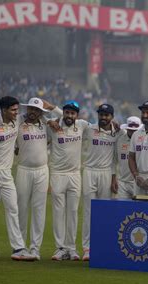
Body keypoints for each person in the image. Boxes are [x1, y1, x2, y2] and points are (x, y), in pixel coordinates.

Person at [0, 96, 35, 261]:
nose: (17, 112)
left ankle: (18, 248)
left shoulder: (16, 122)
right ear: (3, 110)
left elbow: (36, 115)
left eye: (17, 109)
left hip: (6, 173)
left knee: (13, 209)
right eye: (13, 110)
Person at [15, 97, 62, 260]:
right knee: (21, 209)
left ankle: (35, 249)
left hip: (42, 171)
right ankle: (19, 247)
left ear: (41, 112)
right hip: (23, 170)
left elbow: (67, 121)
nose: (33, 112)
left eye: (37, 110)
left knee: (39, 211)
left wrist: (53, 108)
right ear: (27, 109)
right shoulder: (18, 122)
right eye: (31, 109)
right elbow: (3, 121)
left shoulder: (47, 124)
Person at [47, 100, 89, 261]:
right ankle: (60, 248)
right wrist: (49, 119)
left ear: (77, 115)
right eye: (67, 112)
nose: (69, 115)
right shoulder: (54, 126)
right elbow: (36, 118)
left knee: (72, 213)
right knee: (58, 212)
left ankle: (71, 249)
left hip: (75, 175)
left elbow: (102, 127)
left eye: (73, 113)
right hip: (58, 174)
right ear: (63, 113)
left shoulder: (82, 125)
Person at [81, 103, 120, 261]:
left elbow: (115, 159)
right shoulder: (89, 129)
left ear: (112, 117)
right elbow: (70, 125)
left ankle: (102, 244)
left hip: (106, 173)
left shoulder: (117, 133)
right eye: (101, 115)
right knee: (88, 211)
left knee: (104, 211)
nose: (103, 118)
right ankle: (87, 248)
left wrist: (113, 177)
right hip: (89, 171)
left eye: (106, 115)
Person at [115, 116, 142, 199]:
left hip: (138, 182)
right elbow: (115, 160)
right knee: (122, 209)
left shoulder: (144, 140)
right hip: (122, 182)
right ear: (127, 129)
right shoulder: (120, 140)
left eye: (135, 130)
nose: (133, 132)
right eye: (130, 130)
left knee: (138, 209)